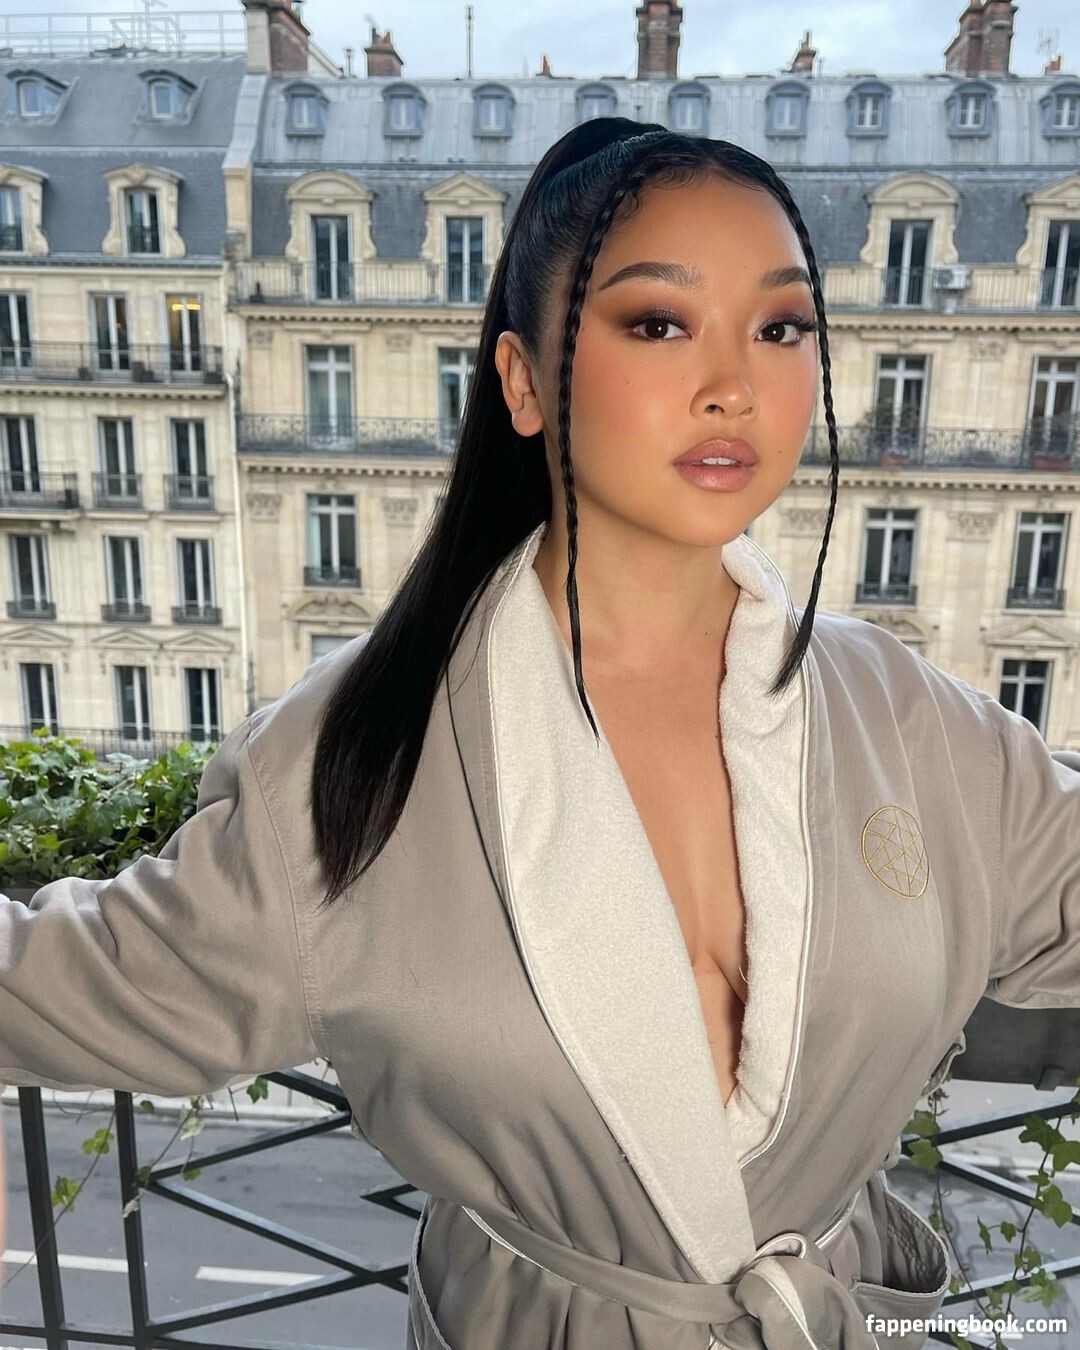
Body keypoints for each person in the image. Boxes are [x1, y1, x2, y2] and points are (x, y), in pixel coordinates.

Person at [1, 120, 1079, 1350]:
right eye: (659, 323)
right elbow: (71, 982)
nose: (734, 383)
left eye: (781, 327)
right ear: (521, 382)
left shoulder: (916, 725)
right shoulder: (353, 761)